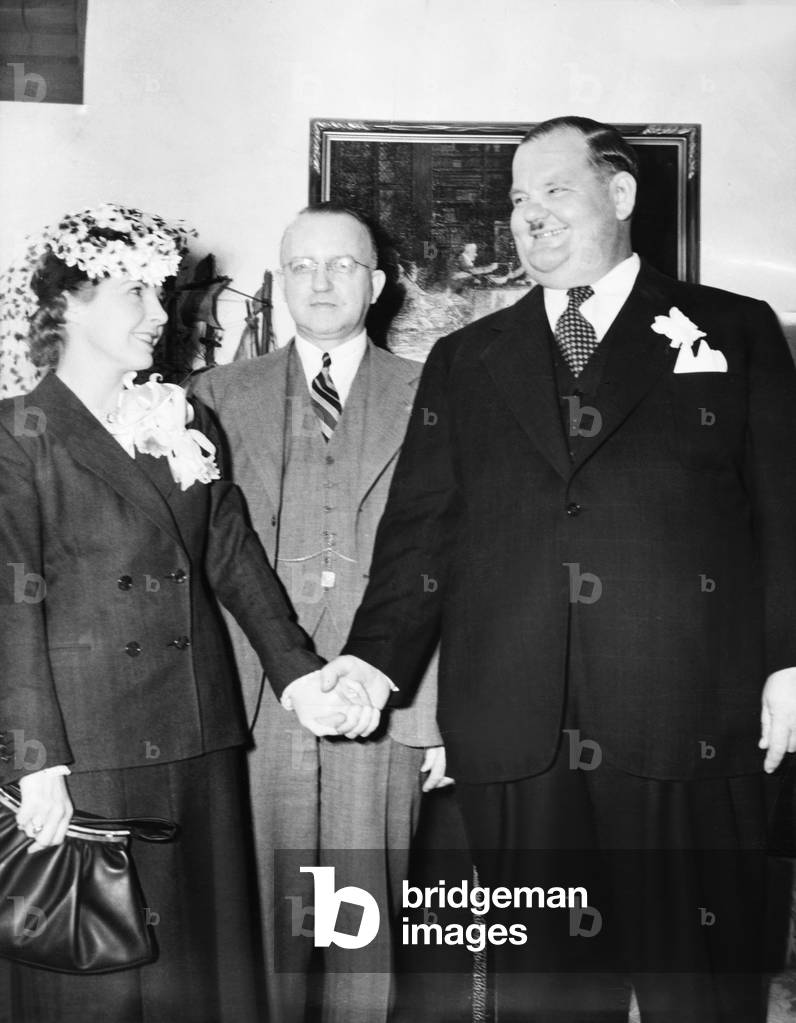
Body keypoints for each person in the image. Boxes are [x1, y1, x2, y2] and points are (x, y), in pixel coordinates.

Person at [323, 117, 796, 1021]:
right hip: (516, 735)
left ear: (619, 197)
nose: (528, 216)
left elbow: (785, 509)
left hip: (689, 720)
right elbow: (422, 533)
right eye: (515, 200)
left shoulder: (733, 330)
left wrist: (789, 660)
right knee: (542, 994)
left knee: (697, 985)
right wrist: (373, 659)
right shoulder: (467, 359)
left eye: (554, 191)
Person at [0, 202, 371, 1023]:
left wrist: (300, 678)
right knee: (96, 979)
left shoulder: (181, 418)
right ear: (67, 304)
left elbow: (232, 557)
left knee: (199, 976)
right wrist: (33, 761)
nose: (160, 314)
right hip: (86, 752)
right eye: (135, 292)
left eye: (161, 292)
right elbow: (8, 602)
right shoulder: (17, 432)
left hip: (197, 735)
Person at [192, 203, 448, 1023]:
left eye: (341, 265)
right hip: (257, 701)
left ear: (377, 284)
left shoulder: (433, 396)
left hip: (390, 699)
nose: (321, 281)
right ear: (282, 279)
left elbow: (455, 560)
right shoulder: (214, 394)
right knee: (261, 929)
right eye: (301, 266)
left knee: (363, 931)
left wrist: (437, 716)